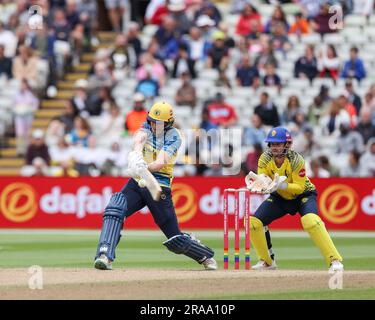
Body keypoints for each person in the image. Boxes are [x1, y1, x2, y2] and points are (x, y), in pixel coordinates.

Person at [94, 101, 217, 270]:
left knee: (175, 239)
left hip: (158, 186)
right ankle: (104, 255)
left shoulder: (174, 136)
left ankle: (204, 255)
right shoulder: (147, 126)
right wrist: (136, 156)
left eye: (158, 123)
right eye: (152, 121)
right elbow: (139, 139)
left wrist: (144, 167)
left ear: (168, 124)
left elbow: (160, 163)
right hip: (138, 182)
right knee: (115, 209)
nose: (154, 125)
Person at [246, 127, 343, 271]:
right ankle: (267, 261)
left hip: (304, 195)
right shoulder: (265, 158)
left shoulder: (297, 160)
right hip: (280, 197)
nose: (274, 147)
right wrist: (262, 184)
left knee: (311, 221)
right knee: (254, 223)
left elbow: (299, 187)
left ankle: (335, 261)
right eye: (272, 144)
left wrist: (282, 185)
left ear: (287, 144)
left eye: (278, 144)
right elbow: (263, 178)